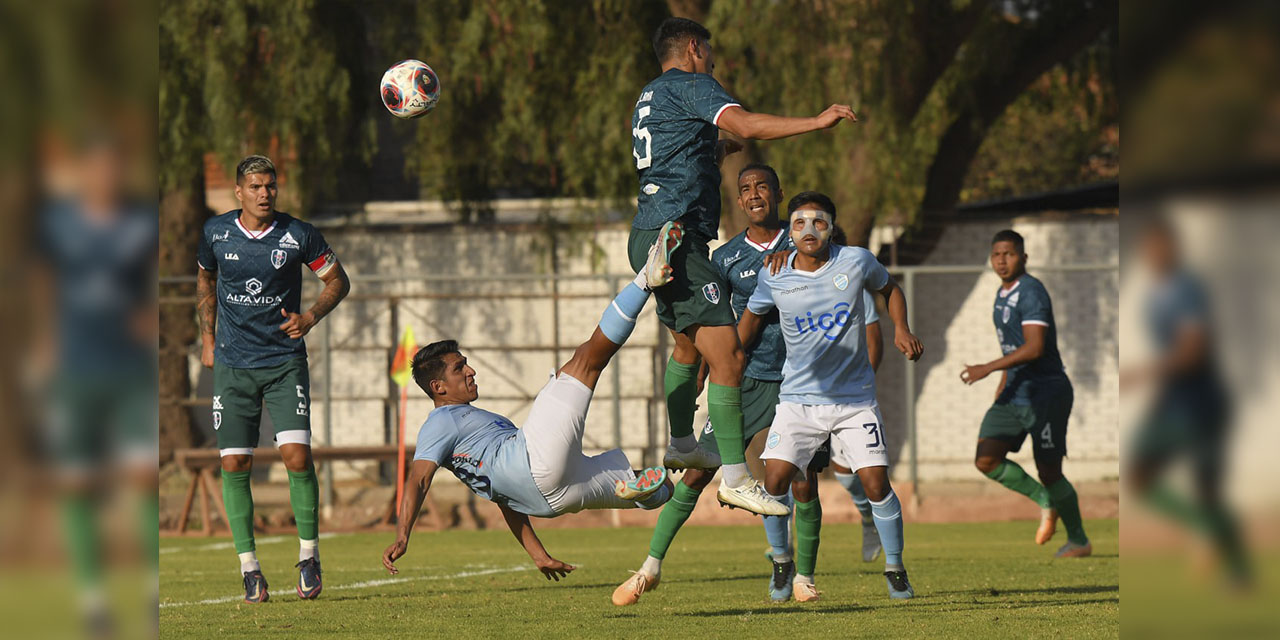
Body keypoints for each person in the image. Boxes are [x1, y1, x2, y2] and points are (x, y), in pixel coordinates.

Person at [628, 17, 858, 515]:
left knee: (689, 348)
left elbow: (668, 156)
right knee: (729, 357)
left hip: (650, 233)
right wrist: (817, 121)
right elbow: (749, 124)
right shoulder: (694, 84)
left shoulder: (649, 95)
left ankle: (681, 441)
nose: (711, 61)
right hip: (679, 237)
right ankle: (734, 476)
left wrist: (712, 152)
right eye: (708, 52)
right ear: (693, 48)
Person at [381, 228, 686, 581]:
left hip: (552, 499)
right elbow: (418, 479)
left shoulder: (471, 434)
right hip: (535, 462)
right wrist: (403, 534)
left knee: (664, 490)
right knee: (586, 360)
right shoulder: (440, 422)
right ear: (438, 387)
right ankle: (645, 280)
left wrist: (538, 554)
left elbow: (503, 497)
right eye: (459, 367)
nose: (471, 370)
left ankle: (639, 490)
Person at [736, 191, 923, 602]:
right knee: (774, 481)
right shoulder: (774, 273)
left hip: (854, 400)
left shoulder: (855, 261)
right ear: (790, 228)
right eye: (800, 222)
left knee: (875, 483)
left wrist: (901, 328)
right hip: (798, 401)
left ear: (832, 227)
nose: (809, 230)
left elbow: (890, 289)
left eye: (819, 222)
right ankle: (783, 563)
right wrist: (723, 363)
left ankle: (895, 568)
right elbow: (749, 323)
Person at [195, 155, 352, 603]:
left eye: (271, 186)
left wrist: (311, 316)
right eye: (256, 187)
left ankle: (309, 557)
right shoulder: (216, 232)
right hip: (232, 364)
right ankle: (250, 569)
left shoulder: (298, 234)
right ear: (239, 192)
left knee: (297, 457)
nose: (265, 194)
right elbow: (205, 280)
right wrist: (207, 339)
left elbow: (337, 281)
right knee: (234, 463)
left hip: (284, 362)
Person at [32, 134, 159, 635]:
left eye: (114, 168)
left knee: (141, 478)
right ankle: (92, 601)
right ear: (86, 173)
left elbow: (149, 278)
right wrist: (44, 342)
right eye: (97, 168)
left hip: (129, 371)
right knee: (76, 483)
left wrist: (150, 318)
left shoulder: (140, 222)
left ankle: (151, 592)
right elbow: (43, 281)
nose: (105, 177)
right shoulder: (56, 224)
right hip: (74, 370)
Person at [1123, 218, 1249, 586]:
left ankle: (1238, 573)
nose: (1154, 253)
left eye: (1161, 245)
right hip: (1173, 403)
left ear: (1173, 248)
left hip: (1202, 403)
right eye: (1148, 247)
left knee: (1208, 491)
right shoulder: (1153, 296)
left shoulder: (1188, 289)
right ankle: (1204, 531)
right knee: (1140, 477)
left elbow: (1194, 351)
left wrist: (1143, 374)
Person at [959, 229, 1090, 558]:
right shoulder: (1001, 294)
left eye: (1009, 254)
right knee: (986, 459)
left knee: (1049, 471)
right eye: (996, 255)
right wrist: (1001, 387)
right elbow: (1012, 347)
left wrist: (987, 368)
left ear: (1024, 258)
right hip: (1014, 392)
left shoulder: (1031, 292)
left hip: (1045, 394)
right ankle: (1045, 501)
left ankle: (1078, 540)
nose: (1001, 260)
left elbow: (1033, 348)